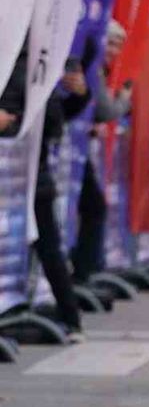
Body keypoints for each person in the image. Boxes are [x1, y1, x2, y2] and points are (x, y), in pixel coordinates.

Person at [0, 41, 87, 341]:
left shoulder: (32, 64)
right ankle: (70, 318)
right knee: (48, 246)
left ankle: (69, 317)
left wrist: (79, 95)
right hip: (25, 176)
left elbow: (54, 119)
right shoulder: (29, 65)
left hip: (29, 177)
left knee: (48, 245)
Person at [72, 21, 132, 283]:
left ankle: (83, 270)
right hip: (70, 149)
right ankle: (84, 272)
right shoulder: (94, 69)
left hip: (78, 147)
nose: (113, 50)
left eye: (118, 45)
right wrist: (124, 99)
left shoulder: (99, 69)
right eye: (110, 43)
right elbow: (105, 110)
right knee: (94, 207)